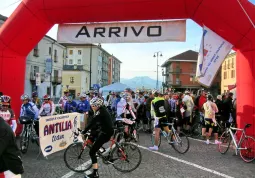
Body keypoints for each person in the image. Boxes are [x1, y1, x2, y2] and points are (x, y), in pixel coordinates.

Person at [82, 98, 114, 178]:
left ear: (97, 106)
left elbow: (92, 122)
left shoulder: (100, 112)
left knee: (92, 152)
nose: (92, 107)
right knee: (94, 137)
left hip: (105, 133)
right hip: (106, 130)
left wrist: (84, 131)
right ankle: (100, 149)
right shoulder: (102, 110)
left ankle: (95, 174)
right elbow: (97, 122)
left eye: (93, 106)